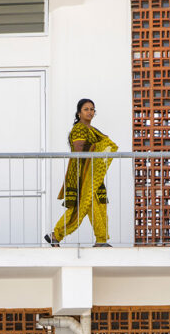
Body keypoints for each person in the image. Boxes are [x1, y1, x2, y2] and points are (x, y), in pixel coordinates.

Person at [45, 99, 117, 247]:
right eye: (86, 109)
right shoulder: (79, 129)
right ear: (79, 113)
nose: (90, 112)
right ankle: (58, 235)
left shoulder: (93, 130)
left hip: (93, 173)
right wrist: (98, 148)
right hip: (81, 173)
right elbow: (79, 151)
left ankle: (99, 240)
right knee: (83, 207)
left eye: (92, 109)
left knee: (97, 204)